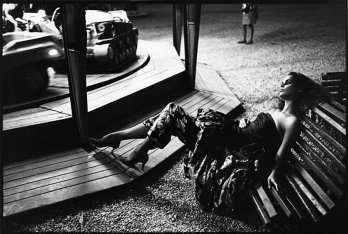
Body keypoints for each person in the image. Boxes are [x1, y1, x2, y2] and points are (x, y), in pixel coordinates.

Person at [89, 72, 329, 215]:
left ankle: (127, 144)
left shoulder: (292, 121)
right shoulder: (275, 110)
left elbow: (281, 154)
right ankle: (119, 139)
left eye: (287, 82)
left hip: (224, 144)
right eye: (282, 81)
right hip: (223, 134)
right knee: (171, 116)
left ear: (298, 89)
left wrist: (275, 172)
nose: (281, 84)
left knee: (173, 113)